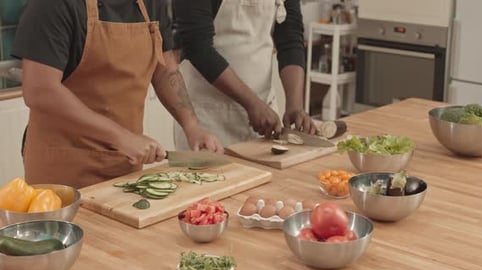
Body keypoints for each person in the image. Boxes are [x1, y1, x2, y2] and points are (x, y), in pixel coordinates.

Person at [12, 0, 223, 189]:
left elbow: (164, 71)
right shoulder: (52, 5)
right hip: (64, 172)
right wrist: (121, 137)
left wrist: (192, 126)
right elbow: (40, 91)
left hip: (124, 166)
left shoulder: (151, 4)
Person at [172, 0, 318, 149]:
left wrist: (295, 106)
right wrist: (252, 103)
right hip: (208, 120)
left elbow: (290, 37)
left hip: (265, 121)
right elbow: (198, 47)